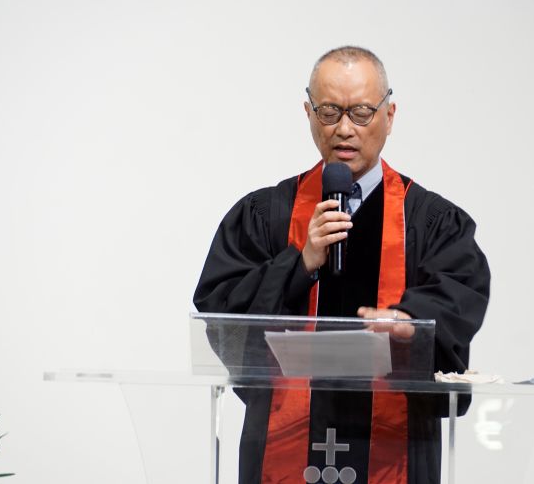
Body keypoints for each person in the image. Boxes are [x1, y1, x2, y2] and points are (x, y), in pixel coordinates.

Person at [194, 46, 490, 484]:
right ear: (309, 114)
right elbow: (222, 315)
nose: (345, 128)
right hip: (282, 449)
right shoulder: (266, 215)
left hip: (396, 455)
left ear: (390, 115)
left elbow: (459, 293)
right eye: (330, 112)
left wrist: (409, 323)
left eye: (362, 113)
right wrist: (299, 264)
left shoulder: (430, 221)